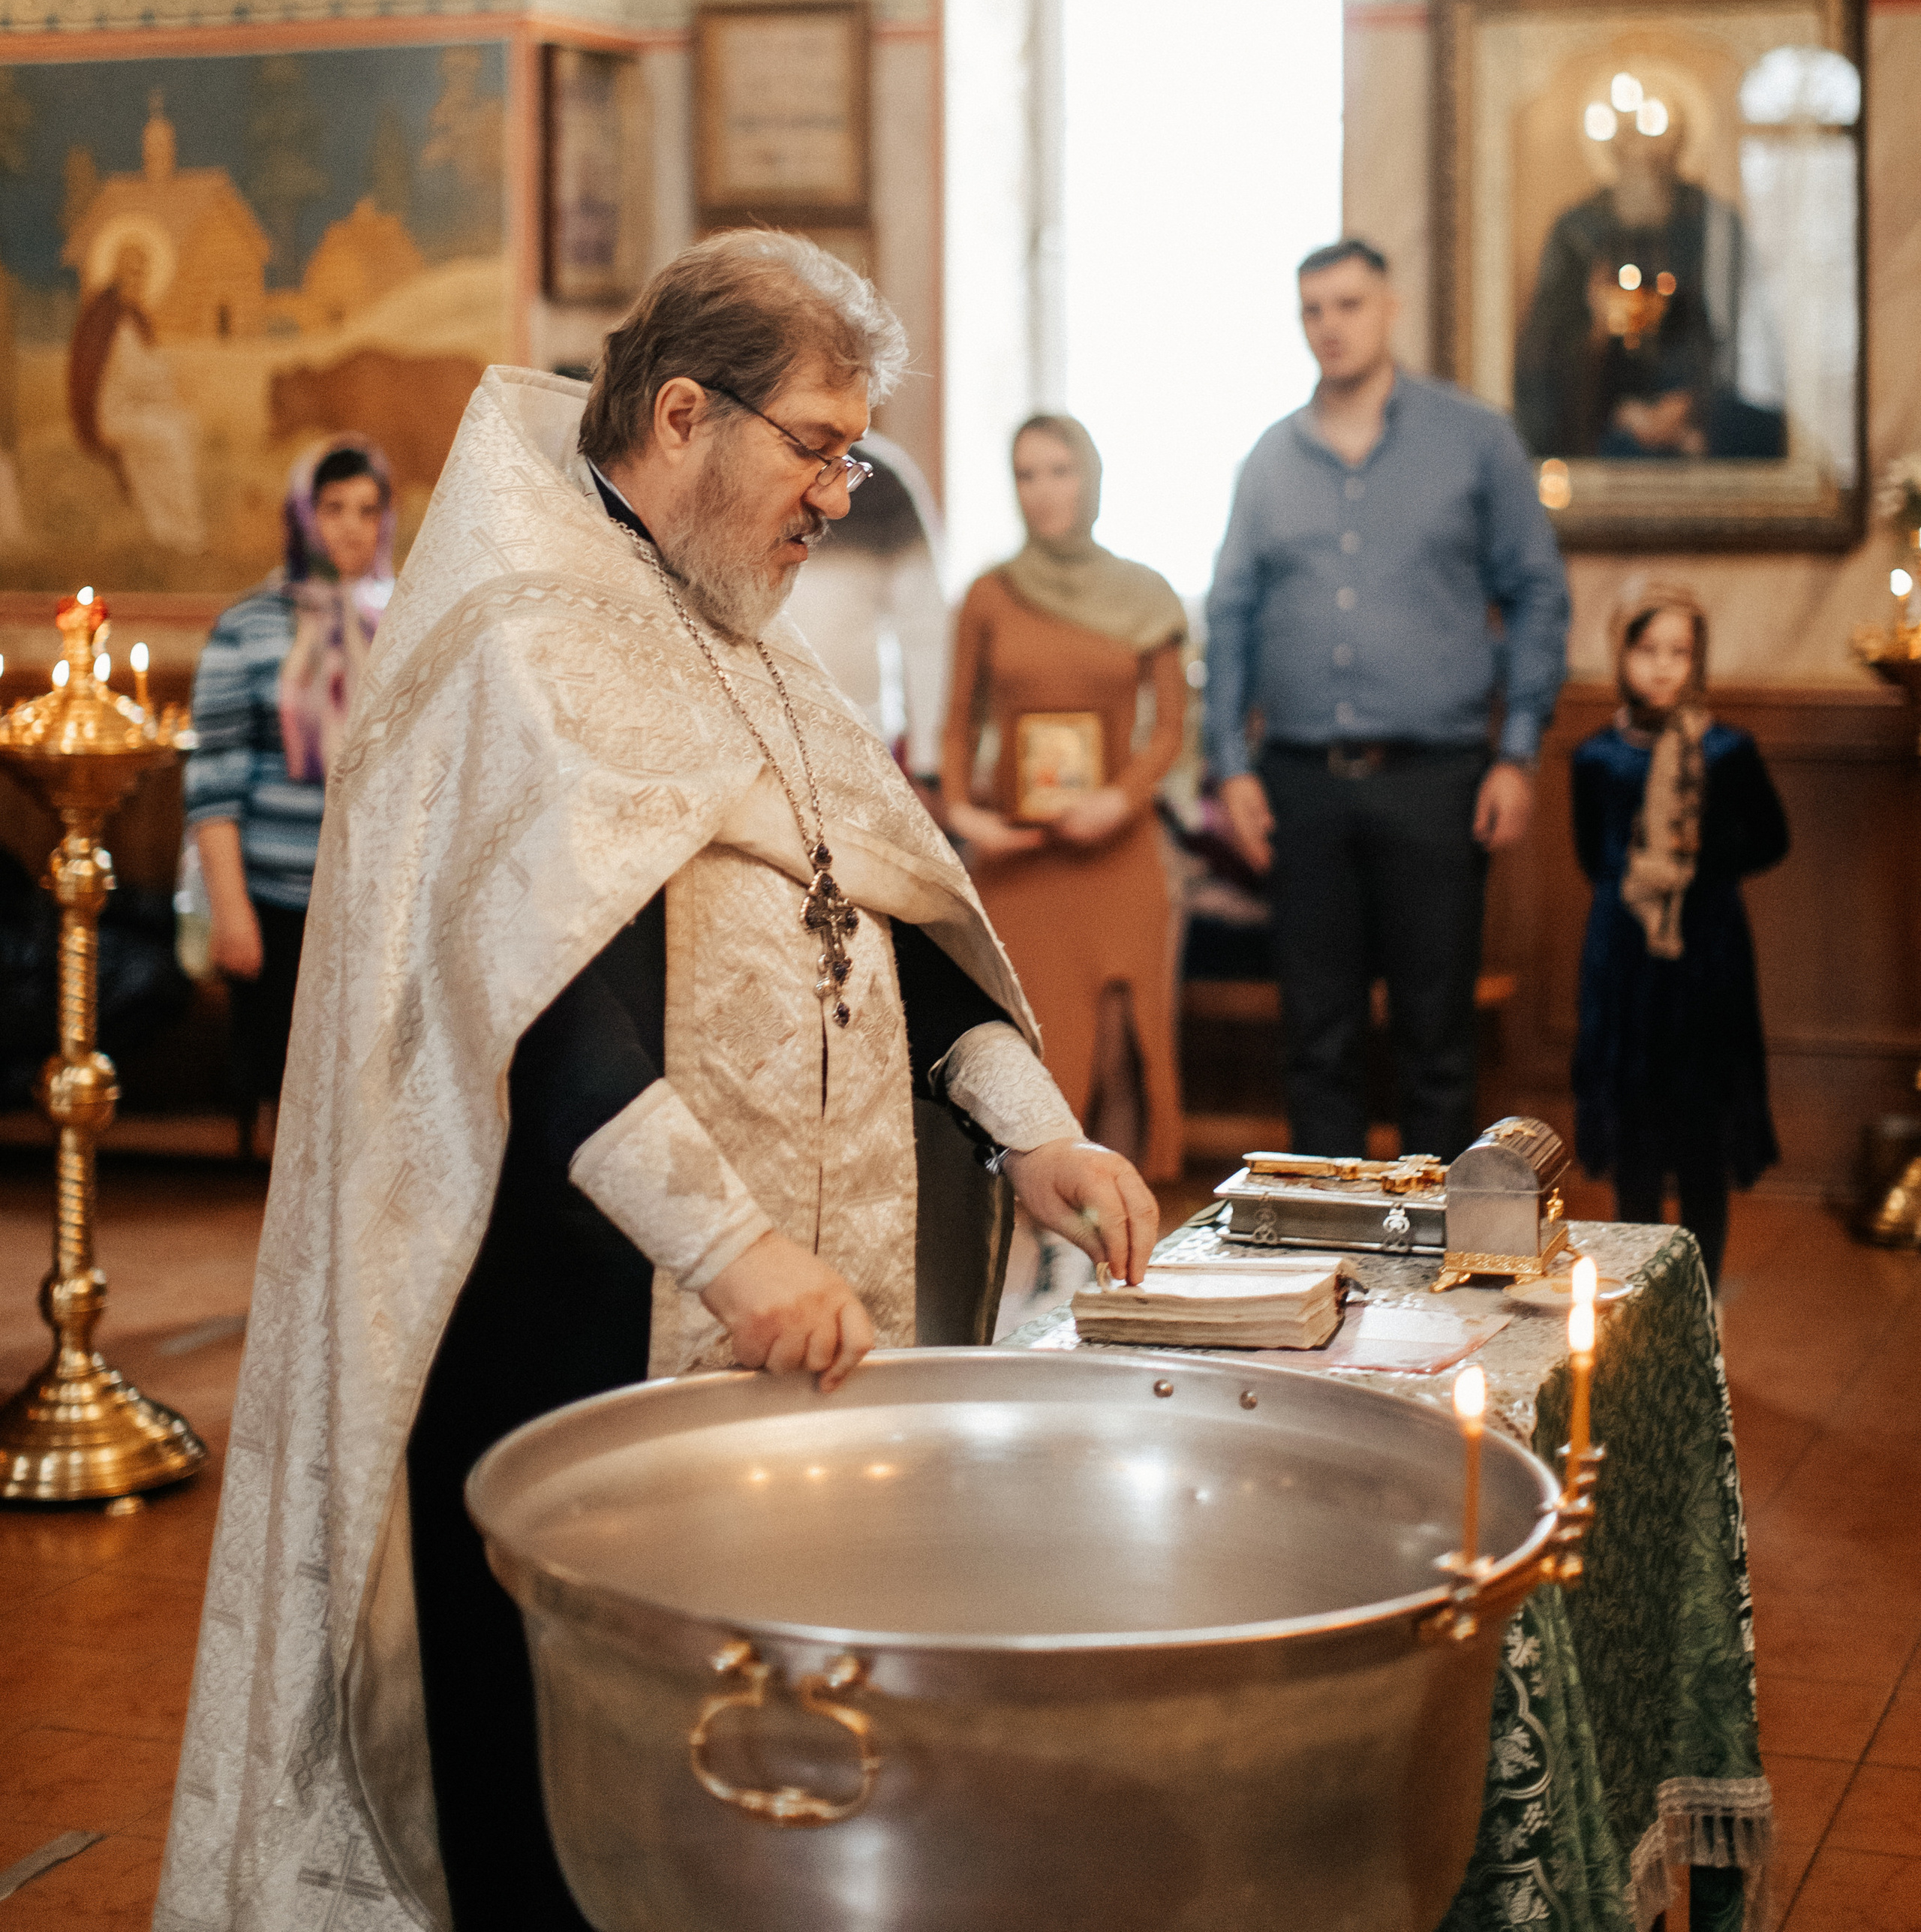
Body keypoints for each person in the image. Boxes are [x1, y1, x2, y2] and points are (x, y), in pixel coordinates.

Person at [157, 232, 1153, 1932]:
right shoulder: (516, 641)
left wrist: (1032, 1126)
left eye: (855, 449)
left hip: (791, 1338)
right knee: (569, 1783)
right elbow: (530, 1005)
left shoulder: (746, 636)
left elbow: (890, 927)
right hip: (572, 1325)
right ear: (682, 412)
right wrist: (735, 1251)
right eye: (819, 444)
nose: (842, 489)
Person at [1207, 239, 1570, 1165]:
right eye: (1312, 310)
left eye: (1348, 304)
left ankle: (1438, 1268)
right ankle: (1325, 1254)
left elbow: (1536, 590)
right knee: (1316, 1038)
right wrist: (1229, 768)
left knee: (1435, 1037)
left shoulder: (1473, 440)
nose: (1329, 325)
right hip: (1299, 783)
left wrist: (1518, 751)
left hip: (1438, 779)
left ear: (1389, 307)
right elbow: (1232, 613)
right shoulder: (1269, 459)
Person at [942, 415, 1188, 1184]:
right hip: (1020, 859)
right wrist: (965, 812)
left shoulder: (1146, 595)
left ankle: (1114, 1242)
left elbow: (1171, 731)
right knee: (1025, 1050)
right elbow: (956, 725)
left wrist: (1119, 800)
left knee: (1115, 1054)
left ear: (1091, 478)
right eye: (1026, 474)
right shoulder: (989, 594)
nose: (1043, 491)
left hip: (1115, 854)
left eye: (1059, 470)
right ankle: (1028, 1262)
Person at [1571, 584, 1784, 1293]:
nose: (1662, 667)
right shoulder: (1597, 758)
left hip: (1706, 961)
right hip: (1628, 965)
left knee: (1700, 1140)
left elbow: (1772, 839)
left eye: (1679, 652)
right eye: (1647, 650)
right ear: (1622, 655)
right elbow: (1589, 855)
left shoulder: (1727, 752)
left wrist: (1699, 860)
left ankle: (1700, 1301)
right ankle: (1637, 1300)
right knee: (1636, 1139)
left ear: (1698, 660)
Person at [184, 438, 395, 1155]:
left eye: (369, 510)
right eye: (332, 507)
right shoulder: (247, 626)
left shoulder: (407, 623)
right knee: (284, 1097)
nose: (351, 527)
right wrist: (230, 906)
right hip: (273, 897)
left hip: (372, 896)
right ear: (302, 515)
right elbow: (212, 779)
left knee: (366, 1093)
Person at [1514, 96, 1787, 464]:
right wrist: (1600, 350)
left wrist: (1692, 403)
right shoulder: (1577, 231)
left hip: (1703, 420)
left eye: (1654, 133)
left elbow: (1744, 335)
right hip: (1604, 422)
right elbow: (1546, 351)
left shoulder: (1713, 224)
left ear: (1679, 144)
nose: (1641, 150)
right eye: (1628, 135)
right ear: (1611, 147)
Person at [789, 428, 948, 781]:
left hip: (858, 735)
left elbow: (925, 631)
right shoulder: (748, 465)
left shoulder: (883, 480)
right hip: (752, 733)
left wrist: (928, 763)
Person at [65, 234, 206, 552]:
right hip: (109, 416)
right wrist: (170, 379)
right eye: (131, 272)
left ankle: (175, 531)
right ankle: (183, 536)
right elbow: (133, 375)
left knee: (184, 427)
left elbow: (146, 374)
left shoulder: (133, 318)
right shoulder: (106, 317)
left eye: (142, 272)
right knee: (169, 437)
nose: (138, 280)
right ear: (117, 274)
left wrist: (168, 385)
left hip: (135, 410)